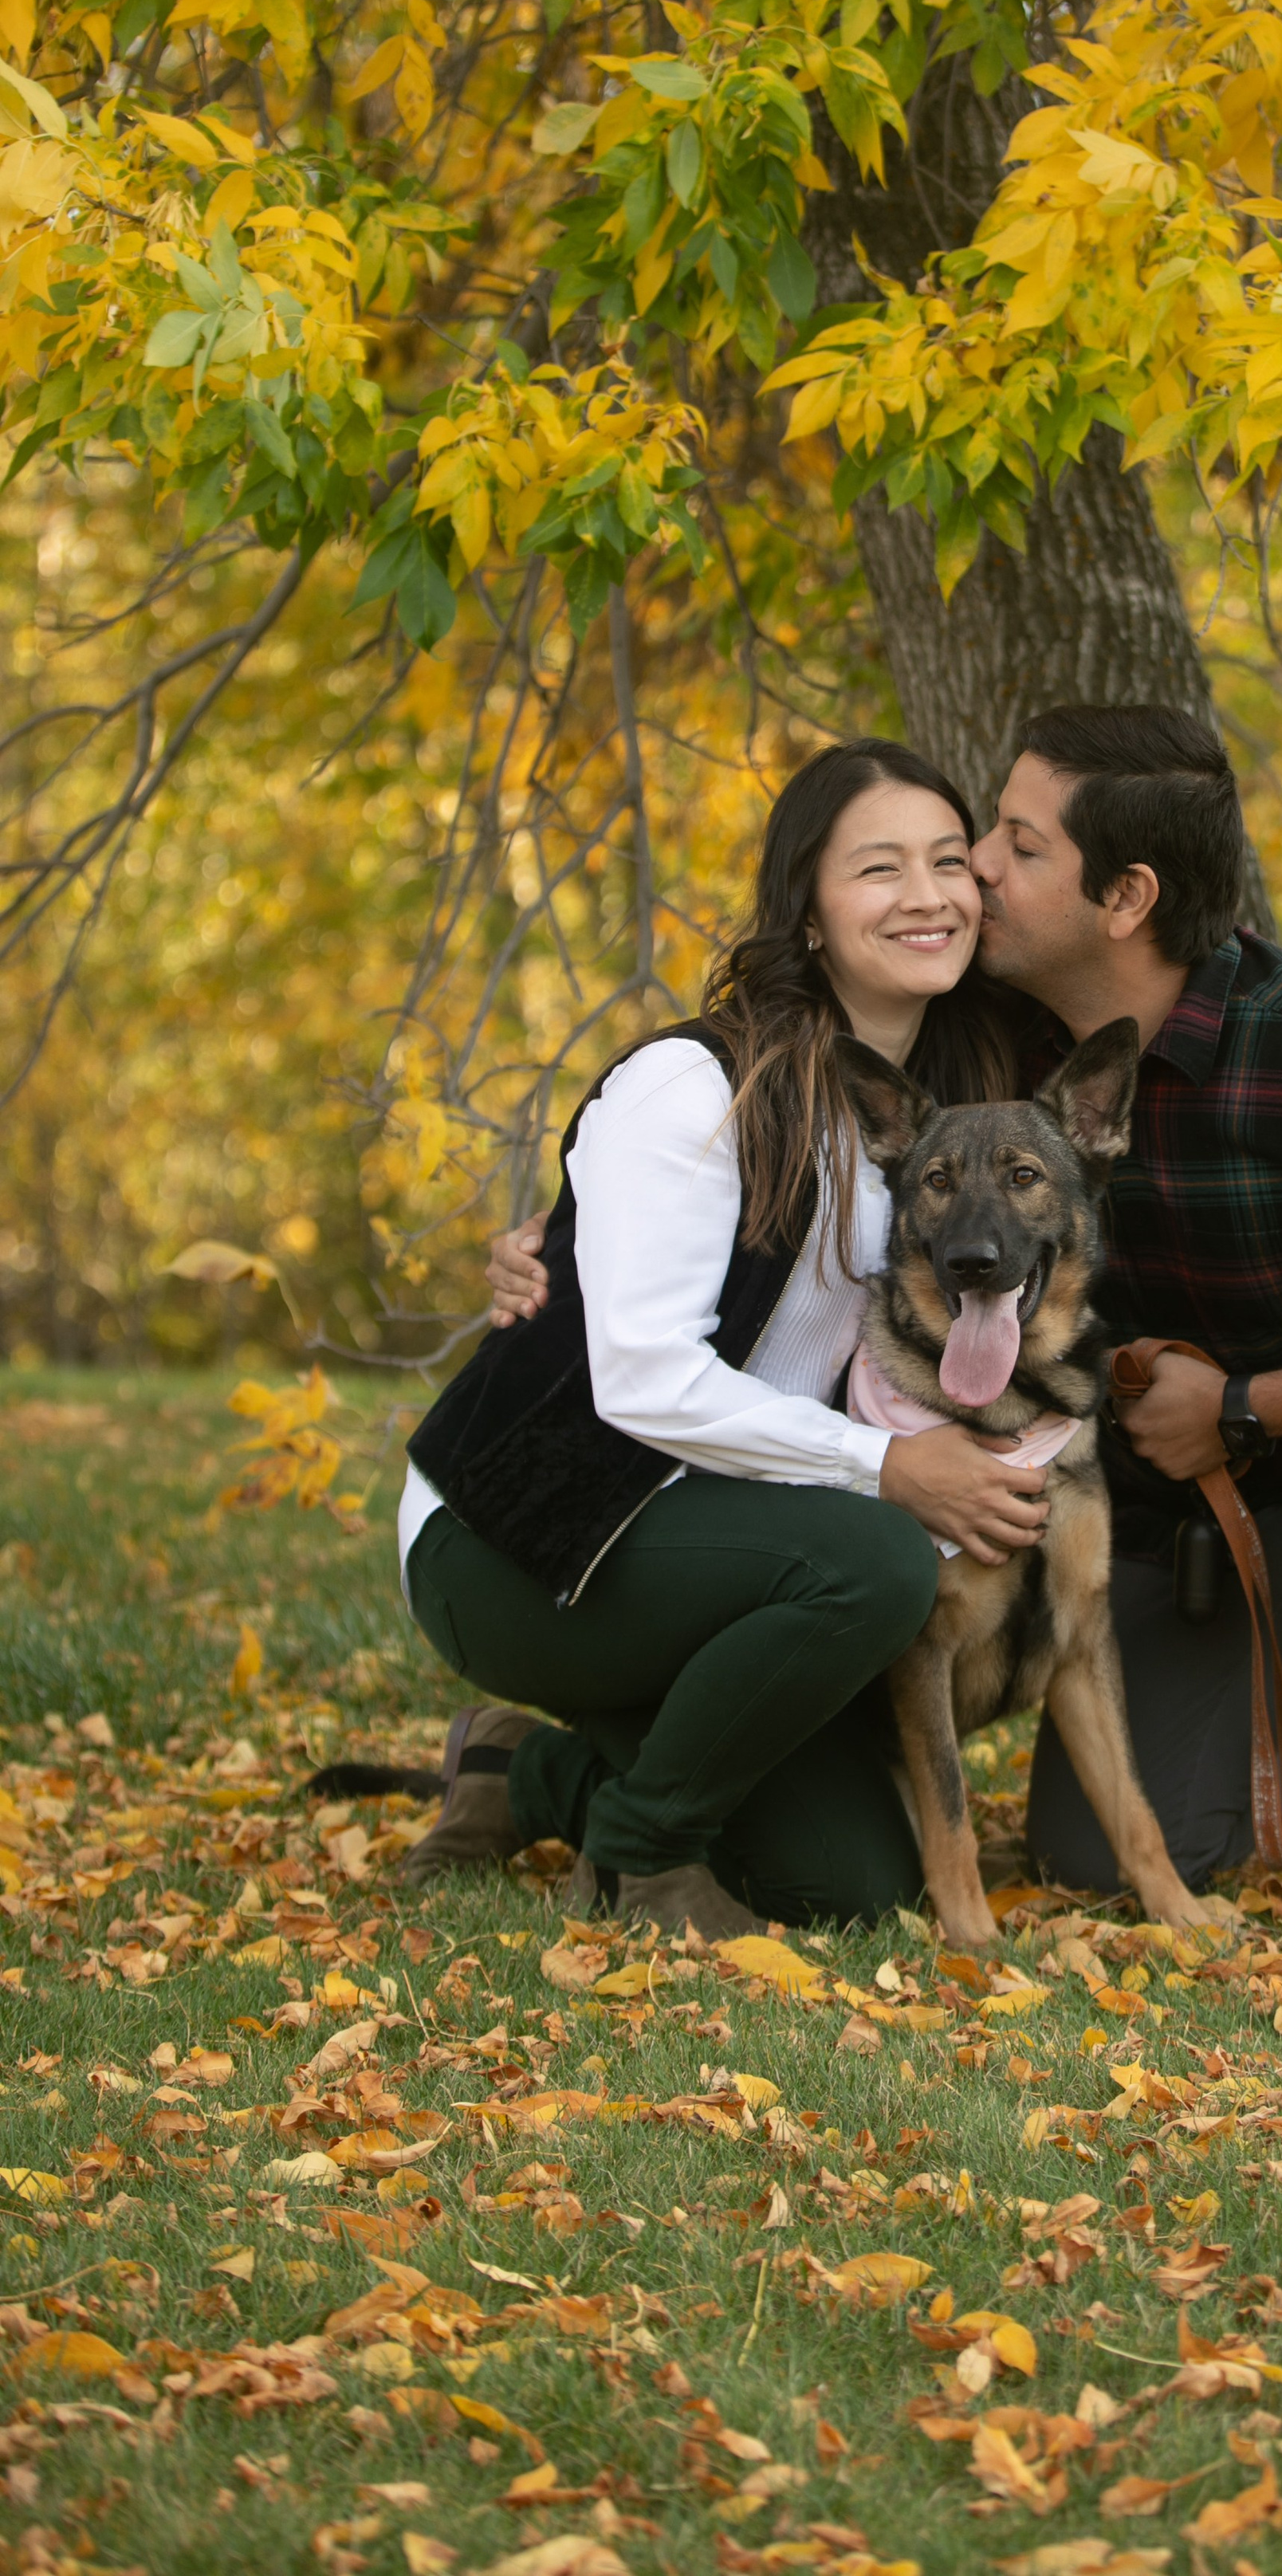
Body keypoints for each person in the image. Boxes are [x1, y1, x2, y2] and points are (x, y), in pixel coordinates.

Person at [489, 708, 1282, 1930]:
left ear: (1124, 898)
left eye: (1008, 846)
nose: (975, 878)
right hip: (1168, 1552)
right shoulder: (990, 1049)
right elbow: (737, 1159)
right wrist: (566, 1247)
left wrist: (1239, 1411)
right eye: (968, 848)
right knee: (1075, 1860)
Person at [396, 738, 1044, 1935]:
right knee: (880, 1562)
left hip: (736, 1537)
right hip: (532, 1533)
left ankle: (519, 1776)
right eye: (878, 869)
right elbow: (643, 1378)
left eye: (951, 862)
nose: (926, 895)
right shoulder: (699, 1088)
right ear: (805, 911)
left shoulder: (955, 1101)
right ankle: (642, 1858)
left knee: (847, 1885)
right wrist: (888, 1470)